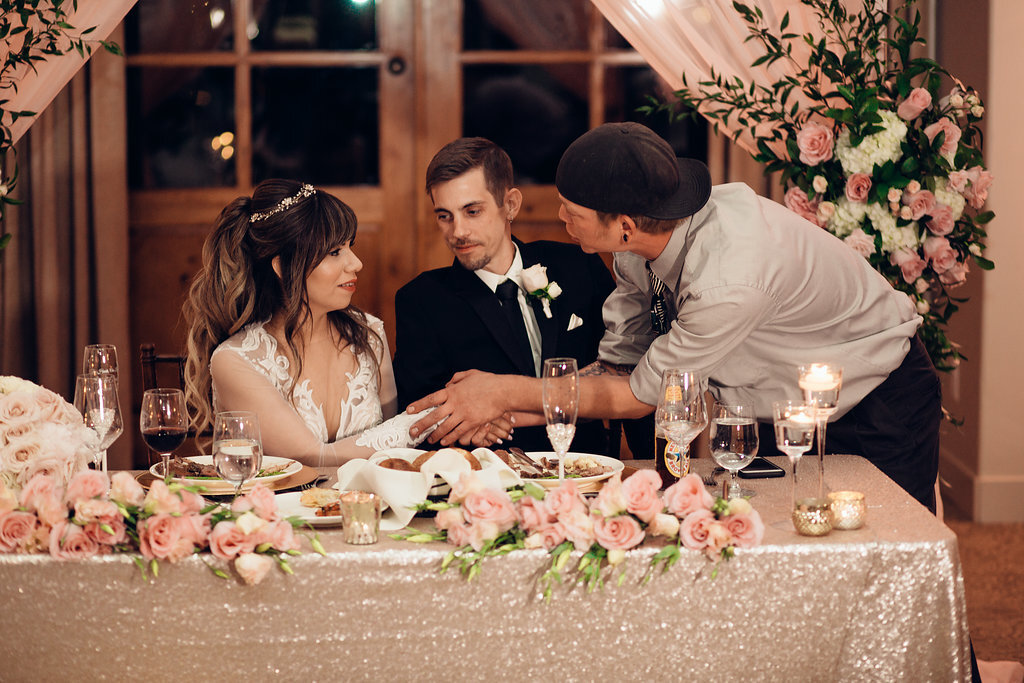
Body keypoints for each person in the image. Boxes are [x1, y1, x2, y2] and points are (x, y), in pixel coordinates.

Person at [408, 122, 942, 512]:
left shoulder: (728, 279)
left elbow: (639, 397)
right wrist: (493, 414)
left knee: (889, 555)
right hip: (787, 407)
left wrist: (501, 392)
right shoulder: (638, 243)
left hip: (877, 397)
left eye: (573, 209)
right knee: (786, 550)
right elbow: (615, 367)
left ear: (622, 225)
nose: (560, 215)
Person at [183, 179, 443, 467]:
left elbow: (389, 457)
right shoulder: (235, 361)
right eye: (335, 252)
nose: (356, 263)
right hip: (277, 510)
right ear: (282, 266)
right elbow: (312, 458)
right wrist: (434, 415)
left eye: (349, 247)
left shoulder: (369, 333)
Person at [393, 137, 617, 455]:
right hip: (490, 480)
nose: (457, 232)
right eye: (445, 216)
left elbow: (623, 367)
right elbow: (419, 416)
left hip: (587, 469)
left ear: (510, 204)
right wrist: (472, 430)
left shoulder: (578, 265)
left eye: (472, 211)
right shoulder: (421, 301)